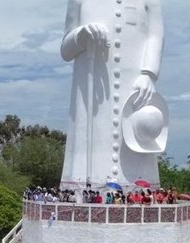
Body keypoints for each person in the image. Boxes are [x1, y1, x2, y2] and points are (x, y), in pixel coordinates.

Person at [59, 0, 166, 190]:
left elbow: (155, 35)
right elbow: (65, 51)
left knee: (138, 142)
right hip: (92, 95)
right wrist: (80, 35)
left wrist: (149, 74)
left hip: (134, 88)